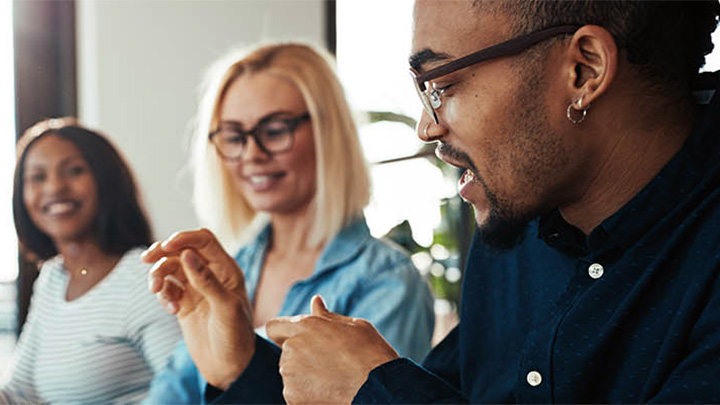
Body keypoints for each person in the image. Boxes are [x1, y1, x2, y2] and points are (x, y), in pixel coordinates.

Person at [143, 0, 720, 403]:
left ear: (583, 69)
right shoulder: (515, 237)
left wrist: (377, 390)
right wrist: (239, 365)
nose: (425, 127)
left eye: (441, 84)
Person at [143, 43, 434, 403]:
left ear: (329, 132)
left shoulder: (386, 281)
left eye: (275, 129)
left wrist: (239, 369)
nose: (252, 154)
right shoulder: (231, 269)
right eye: (234, 136)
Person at [0, 118, 182, 404]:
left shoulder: (146, 277)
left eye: (74, 171)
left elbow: (185, 392)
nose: (55, 187)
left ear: (106, 181)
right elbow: (22, 393)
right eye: (37, 177)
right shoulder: (53, 278)